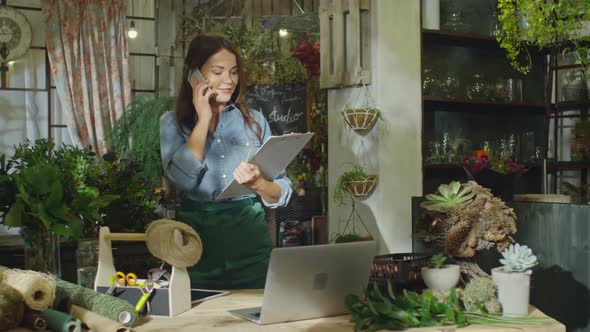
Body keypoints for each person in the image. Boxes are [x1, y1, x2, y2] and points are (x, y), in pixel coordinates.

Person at [159, 34, 293, 289]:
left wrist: (258, 184)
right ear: (194, 75)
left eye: (233, 72)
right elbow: (180, 180)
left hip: (250, 242)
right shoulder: (171, 122)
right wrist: (202, 119)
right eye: (218, 72)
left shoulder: (254, 122)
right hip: (195, 245)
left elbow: (282, 190)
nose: (229, 81)